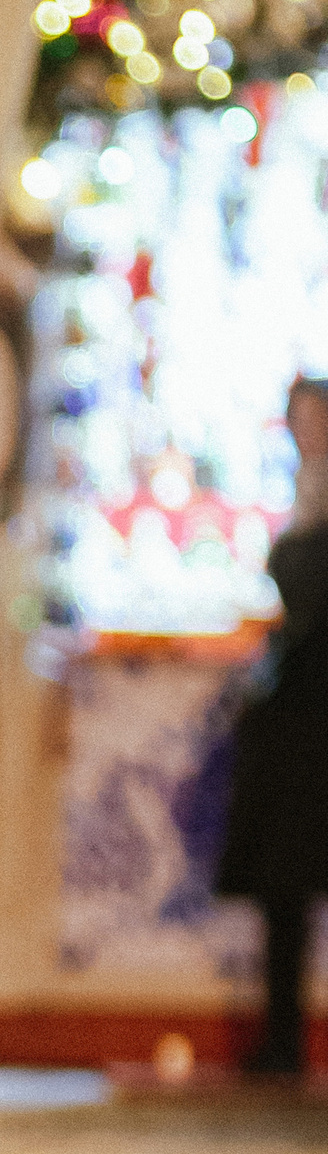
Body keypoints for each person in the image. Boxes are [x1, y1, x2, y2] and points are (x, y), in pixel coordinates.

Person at [218, 374, 328, 1074]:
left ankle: (285, 1040)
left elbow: (306, 588)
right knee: (285, 883)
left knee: (291, 873)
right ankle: (281, 1038)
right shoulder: (306, 493)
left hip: (314, 722)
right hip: (299, 723)